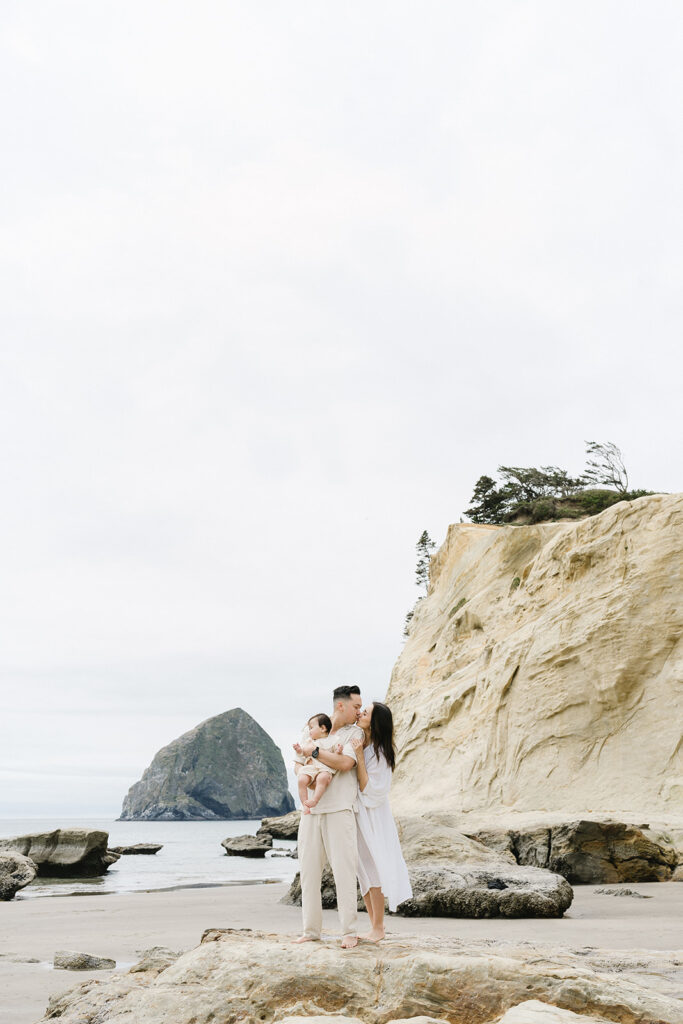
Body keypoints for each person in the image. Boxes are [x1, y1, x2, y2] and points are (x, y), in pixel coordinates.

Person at [294, 684, 364, 949]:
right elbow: (297, 765)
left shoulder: (354, 733)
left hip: (340, 809)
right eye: (356, 707)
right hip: (311, 811)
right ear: (340, 706)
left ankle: (349, 932)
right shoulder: (313, 728)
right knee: (309, 872)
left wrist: (314, 753)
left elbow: (345, 764)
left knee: (344, 872)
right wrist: (309, 778)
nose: (359, 712)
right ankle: (310, 931)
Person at [351, 701, 412, 942]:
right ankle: (373, 925)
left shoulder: (380, 752)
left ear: (374, 723)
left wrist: (358, 756)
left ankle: (379, 927)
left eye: (365, 713)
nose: (360, 713)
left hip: (373, 816)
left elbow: (370, 788)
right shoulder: (361, 742)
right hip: (359, 814)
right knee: (362, 870)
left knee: (373, 868)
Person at [292, 713, 342, 812]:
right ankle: (305, 804)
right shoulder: (309, 741)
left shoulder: (333, 740)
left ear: (323, 728)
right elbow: (303, 753)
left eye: (311, 728)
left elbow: (335, 755)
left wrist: (338, 751)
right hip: (311, 766)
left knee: (322, 778)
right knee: (301, 779)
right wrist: (298, 750)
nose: (309, 731)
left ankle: (315, 800)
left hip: (324, 768)